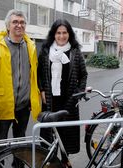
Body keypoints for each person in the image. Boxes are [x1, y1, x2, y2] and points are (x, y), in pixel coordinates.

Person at [0, 9, 41, 167]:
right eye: (15, 22)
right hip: (2, 105)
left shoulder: (31, 46)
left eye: (22, 22)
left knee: (20, 142)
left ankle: (18, 166)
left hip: (23, 106)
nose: (19, 25)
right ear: (8, 25)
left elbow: (33, 76)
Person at [37, 19, 88, 166]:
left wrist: (79, 92)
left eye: (64, 32)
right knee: (49, 137)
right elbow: (39, 73)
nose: (61, 36)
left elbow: (83, 75)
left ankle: (65, 161)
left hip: (69, 100)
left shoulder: (75, 52)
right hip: (50, 100)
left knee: (66, 136)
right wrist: (41, 90)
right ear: (53, 34)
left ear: (69, 34)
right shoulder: (46, 52)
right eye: (58, 33)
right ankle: (50, 163)